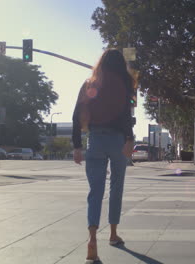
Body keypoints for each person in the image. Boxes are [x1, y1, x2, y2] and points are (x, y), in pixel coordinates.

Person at [72, 48, 134, 264]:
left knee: (95, 191)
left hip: (95, 139)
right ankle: (113, 234)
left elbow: (76, 115)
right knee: (116, 187)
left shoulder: (90, 83)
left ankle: (92, 242)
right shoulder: (124, 85)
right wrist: (129, 140)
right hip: (117, 141)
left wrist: (77, 146)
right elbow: (127, 115)